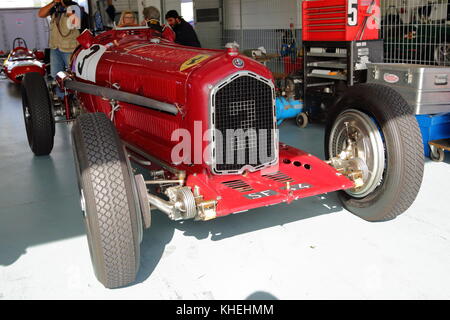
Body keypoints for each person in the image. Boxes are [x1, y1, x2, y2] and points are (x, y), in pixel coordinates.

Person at [38, 0, 81, 85]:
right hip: (55, 47)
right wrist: (53, 3)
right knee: (56, 75)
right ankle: (60, 97)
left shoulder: (74, 6)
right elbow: (40, 14)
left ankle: (75, 96)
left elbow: (76, 23)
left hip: (70, 48)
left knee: (74, 75)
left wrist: (66, 7)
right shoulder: (55, 7)